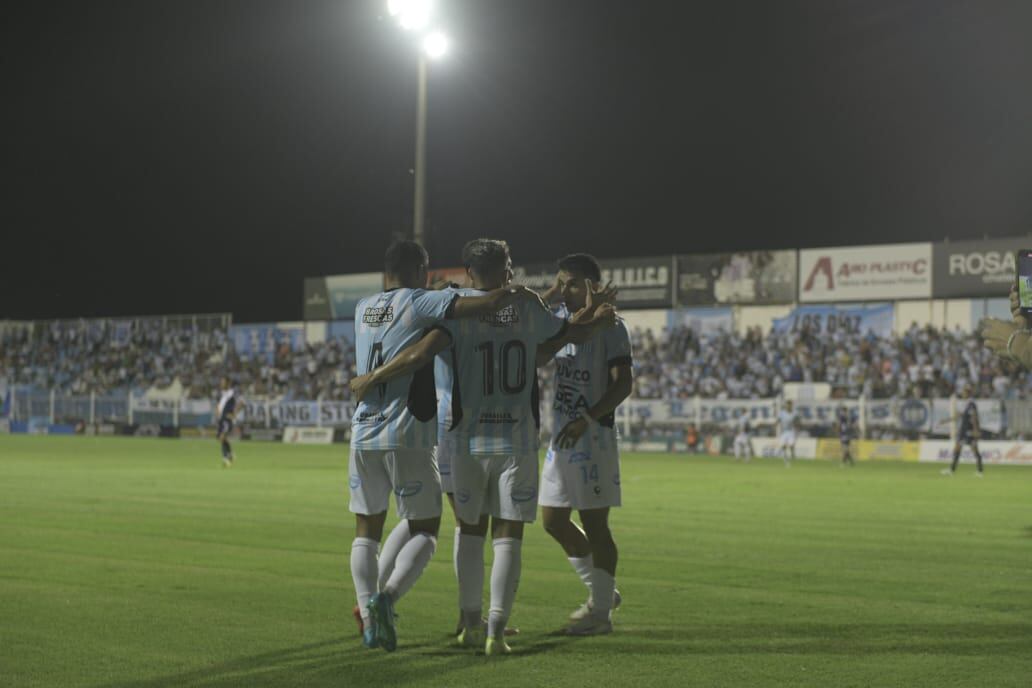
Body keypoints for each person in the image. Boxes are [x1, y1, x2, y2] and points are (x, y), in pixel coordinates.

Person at [351, 239, 615, 655]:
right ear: (506, 269)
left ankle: (467, 623)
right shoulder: (527, 306)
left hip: (463, 442)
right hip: (516, 440)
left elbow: (422, 352)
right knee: (507, 536)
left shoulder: (451, 308)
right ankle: (495, 631)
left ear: (468, 272)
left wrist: (372, 377)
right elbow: (564, 335)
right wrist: (596, 319)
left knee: (466, 532)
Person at [347, 239, 539, 653]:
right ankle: (388, 599)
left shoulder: (362, 309)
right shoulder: (423, 302)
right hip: (410, 430)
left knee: (367, 529)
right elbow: (480, 306)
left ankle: (367, 614)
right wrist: (516, 292)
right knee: (429, 529)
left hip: (363, 429)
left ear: (385, 273)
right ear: (421, 272)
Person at [535, 253, 633, 636]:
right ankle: (603, 591)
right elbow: (539, 357)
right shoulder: (564, 325)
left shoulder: (613, 328)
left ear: (592, 285)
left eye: (572, 283)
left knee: (596, 526)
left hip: (592, 438)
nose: (564, 290)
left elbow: (623, 384)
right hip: (562, 438)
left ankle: (600, 615)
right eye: (560, 282)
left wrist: (586, 418)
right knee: (553, 520)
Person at [940, 386, 983, 477]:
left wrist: (975, 430)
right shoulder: (966, 404)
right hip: (963, 431)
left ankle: (980, 471)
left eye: (964, 393)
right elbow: (958, 416)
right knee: (957, 448)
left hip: (969, 431)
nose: (962, 394)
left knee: (975, 450)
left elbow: (974, 417)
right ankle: (952, 470)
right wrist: (946, 420)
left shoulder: (971, 404)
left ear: (968, 393)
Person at [214, 377, 240, 467]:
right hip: (221, 418)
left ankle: (225, 459)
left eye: (223, 382)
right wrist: (217, 412)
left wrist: (234, 414)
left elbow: (240, 403)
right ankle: (231, 454)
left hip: (227, 418)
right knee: (221, 438)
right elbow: (218, 404)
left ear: (228, 383)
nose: (221, 384)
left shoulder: (232, 393)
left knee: (222, 437)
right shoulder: (220, 394)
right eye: (221, 382)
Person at [777, 400, 800, 466]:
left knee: (791, 445)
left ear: (791, 405)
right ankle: (786, 460)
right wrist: (775, 424)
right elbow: (778, 420)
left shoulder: (795, 413)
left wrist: (797, 428)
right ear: (786, 406)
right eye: (787, 405)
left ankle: (792, 454)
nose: (788, 406)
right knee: (783, 446)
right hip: (784, 432)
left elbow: (797, 421)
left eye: (789, 405)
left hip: (791, 431)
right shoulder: (782, 413)